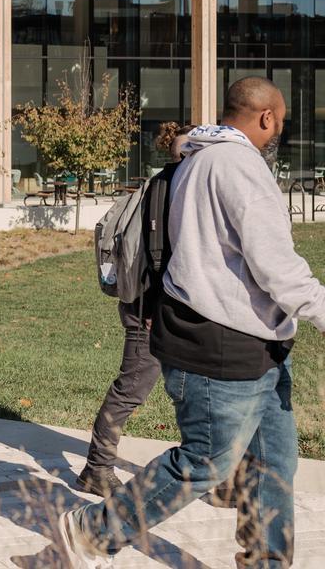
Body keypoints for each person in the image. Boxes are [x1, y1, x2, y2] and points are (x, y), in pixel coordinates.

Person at [59, 77, 324, 568]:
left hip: (254, 347)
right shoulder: (241, 167)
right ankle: (92, 530)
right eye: (280, 123)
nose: (277, 132)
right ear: (266, 117)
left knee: (273, 467)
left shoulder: (195, 157)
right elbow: (278, 268)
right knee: (204, 462)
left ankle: (266, 561)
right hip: (222, 349)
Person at [76, 122, 196, 497]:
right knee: (131, 388)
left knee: (194, 390)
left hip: (168, 309)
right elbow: (161, 258)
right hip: (152, 309)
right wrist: (154, 309)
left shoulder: (169, 185)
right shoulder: (169, 190)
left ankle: (204, 465)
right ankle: (96, 468)